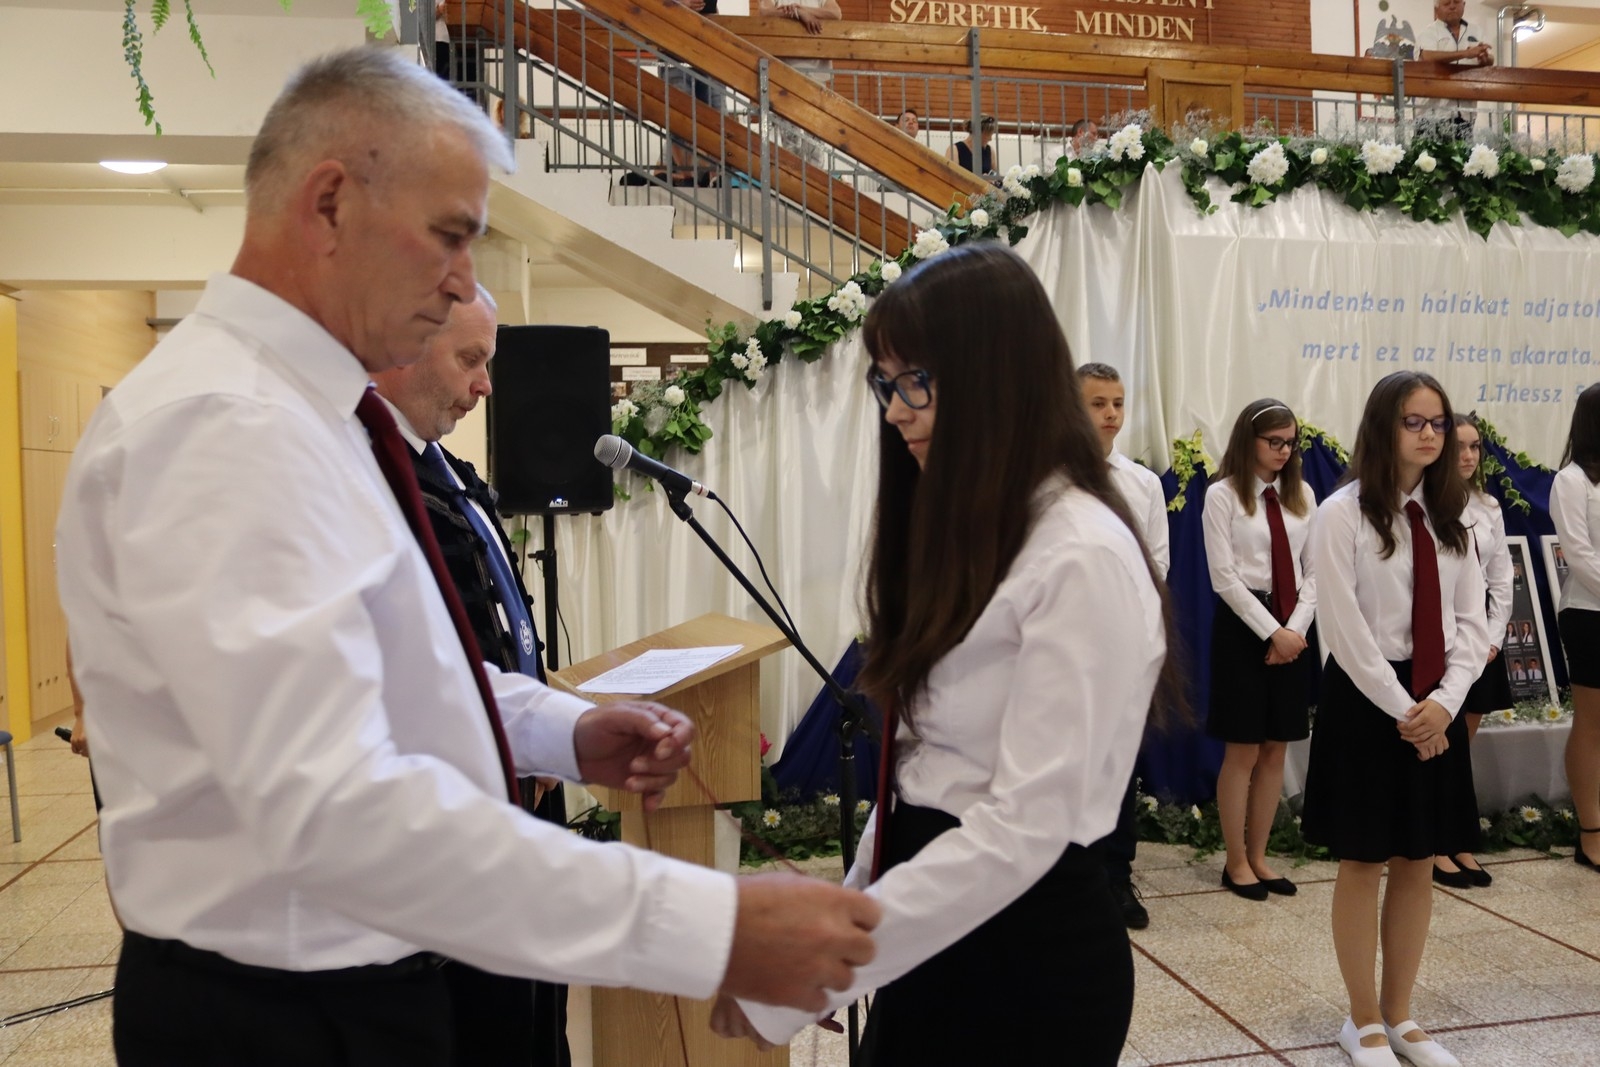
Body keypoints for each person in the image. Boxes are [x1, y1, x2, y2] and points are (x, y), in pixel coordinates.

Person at [54, 47, 880, 1066]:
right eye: (450, 236)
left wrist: (554, 729)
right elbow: (335, 805)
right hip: (289, 1012)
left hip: (363, 977)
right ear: (329, 205)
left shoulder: (308, 413)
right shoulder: (228, 426)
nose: (460, 284)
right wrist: (711, 925)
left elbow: (387, 672)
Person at [713, 242, 1179, 1064]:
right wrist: (852, 919)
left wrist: (824, 962)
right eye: (885, 383)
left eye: (916, 381)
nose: (896, 410)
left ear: (998, 378)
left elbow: (1024, 826)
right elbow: (920, 776)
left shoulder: (1080, 552)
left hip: (1024, 958)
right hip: (937, 923)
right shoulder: (976, 530)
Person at [372, 289, 569, 1067]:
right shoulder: (376, 481)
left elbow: (501, 619)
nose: (486, 385)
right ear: (407, 347)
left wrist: (548, 729)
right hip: (457, 820)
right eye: (470, 360)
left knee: (535, 1017)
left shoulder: (445, 470)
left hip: (522, 791)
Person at [1302, 370, 1487, 1067]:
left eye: (1438, 422)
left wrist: (1445, 702)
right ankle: (1362, 1021)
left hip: (1436, 698)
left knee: (1417, 859)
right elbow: (1344, 631)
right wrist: (1409, 712)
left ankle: (1401, 1014)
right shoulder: (1342, 513)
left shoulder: (1453, 515)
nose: (1430, 434)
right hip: (1367, 697)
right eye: (1414, 421)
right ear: (1383, 427)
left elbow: (1473, 621)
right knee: (1364, 858)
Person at [1203, 400, 1318, 901]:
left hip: (1294, 626)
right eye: (1274, 441)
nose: (1284, 451)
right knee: (1244, 749)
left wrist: (1292, 631)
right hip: (1243, 625)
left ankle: (1259, 855)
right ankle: (1235, 862)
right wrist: (1272, 632)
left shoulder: (1302, 494)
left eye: (1290, 442)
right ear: (1248, 440)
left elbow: (1315, 571)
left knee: (1276, 748)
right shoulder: (1222, 495)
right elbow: (1224, 578)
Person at [1078, 362, 1169, 929]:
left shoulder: (1141, 483)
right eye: (1097, 403)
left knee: (1119, 765)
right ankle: (1066, 878)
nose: (1111, 414)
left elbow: (1157, 565)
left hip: (1122, 647)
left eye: (1117, 403)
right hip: (1063, 649)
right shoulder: (1046, 477)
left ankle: (1116, 875)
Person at [1433, 414, 1512, 891]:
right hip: (1444, 632)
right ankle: (1437, 844)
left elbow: (1500, 578)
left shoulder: (1488, 506)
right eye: (1459, 446)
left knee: (1461, 745)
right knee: (1442, 743)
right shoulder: (1431, 502)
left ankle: (1459, 839)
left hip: (1481, 637)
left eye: (1475, 447)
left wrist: (1492, 638)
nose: (1467, 456)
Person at [1551, 382, 1600, 870]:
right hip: (1590, 614)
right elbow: (1579, 555)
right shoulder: (1572, 480)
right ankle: (1590, 833)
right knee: (1593, 722)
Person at [1416, 0, 1493, 141]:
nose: (1452, 6)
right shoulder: (1429, 32)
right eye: (1446, 3)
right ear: (1437, 9)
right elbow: (1428, 56)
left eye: (1456, 2)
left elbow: (1490, 58)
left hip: (1465, 115)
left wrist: (1484, 59)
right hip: (1432, 114)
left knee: (1463, 154)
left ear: (1464, 5)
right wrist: (1465, 53)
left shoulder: (1477, 31)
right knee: (1428, 155)